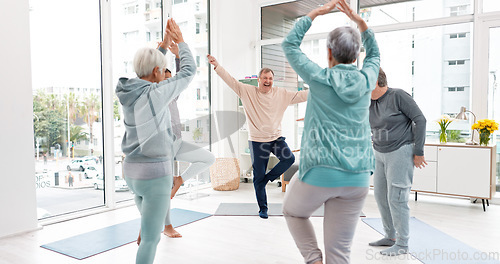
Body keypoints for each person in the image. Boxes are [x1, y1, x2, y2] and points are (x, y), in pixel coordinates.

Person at [281, 0, 380, 263]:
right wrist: (362, 25)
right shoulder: (368, 78)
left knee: (293, 212)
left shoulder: (319, 77)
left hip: (320, 173)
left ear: (328, 53)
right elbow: (375, 56)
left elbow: (289, 45)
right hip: (358, 177)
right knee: (340, 253)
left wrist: (314, 13)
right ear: (357, 55)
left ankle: (314, 259)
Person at [116, 18, 196, 264]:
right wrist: (180, 42)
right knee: (151, 240)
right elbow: (189, 71)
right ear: (156, 72)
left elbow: (146, 72)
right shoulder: (157, 93)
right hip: (154, 175)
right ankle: (149, 227)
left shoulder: (129, 90)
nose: (164, 73)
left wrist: (162, 47)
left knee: (149, 221)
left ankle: (147, 222)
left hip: (131, 174)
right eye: (162, 69)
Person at [207, 53, 308, 219]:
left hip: (276, 138)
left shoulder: (281, 93)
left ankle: (268, 178)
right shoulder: (247, 91)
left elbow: (301, 95)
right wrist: (217, 66)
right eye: (264, 78)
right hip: (257, 141)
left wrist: (320, 91)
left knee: (289, 159)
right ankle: (263, 208)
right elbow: (231, 80)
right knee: (257, 177)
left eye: (270, 78)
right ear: (259, 80)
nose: (267, 81)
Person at [137, 42, 215, 241]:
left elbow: (183, 76)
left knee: (208, 158)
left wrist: (178, 56)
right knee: (163, 188)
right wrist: (160, 52)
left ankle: (180, 180)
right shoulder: (153, 95)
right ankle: (167, 226)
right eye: (167, 80)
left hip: (177, 142)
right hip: (162, 147)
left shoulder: (173, 95)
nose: (171, 85)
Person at [368, 67, 427, 256]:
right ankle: (390, 236)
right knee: (380, 195)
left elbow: (420, 119)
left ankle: (402, 243)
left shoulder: (398, 96)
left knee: (397, 198)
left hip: (401, 151)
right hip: (379, 152)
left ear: (375, 82)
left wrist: (419, 151)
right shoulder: (368, 102)